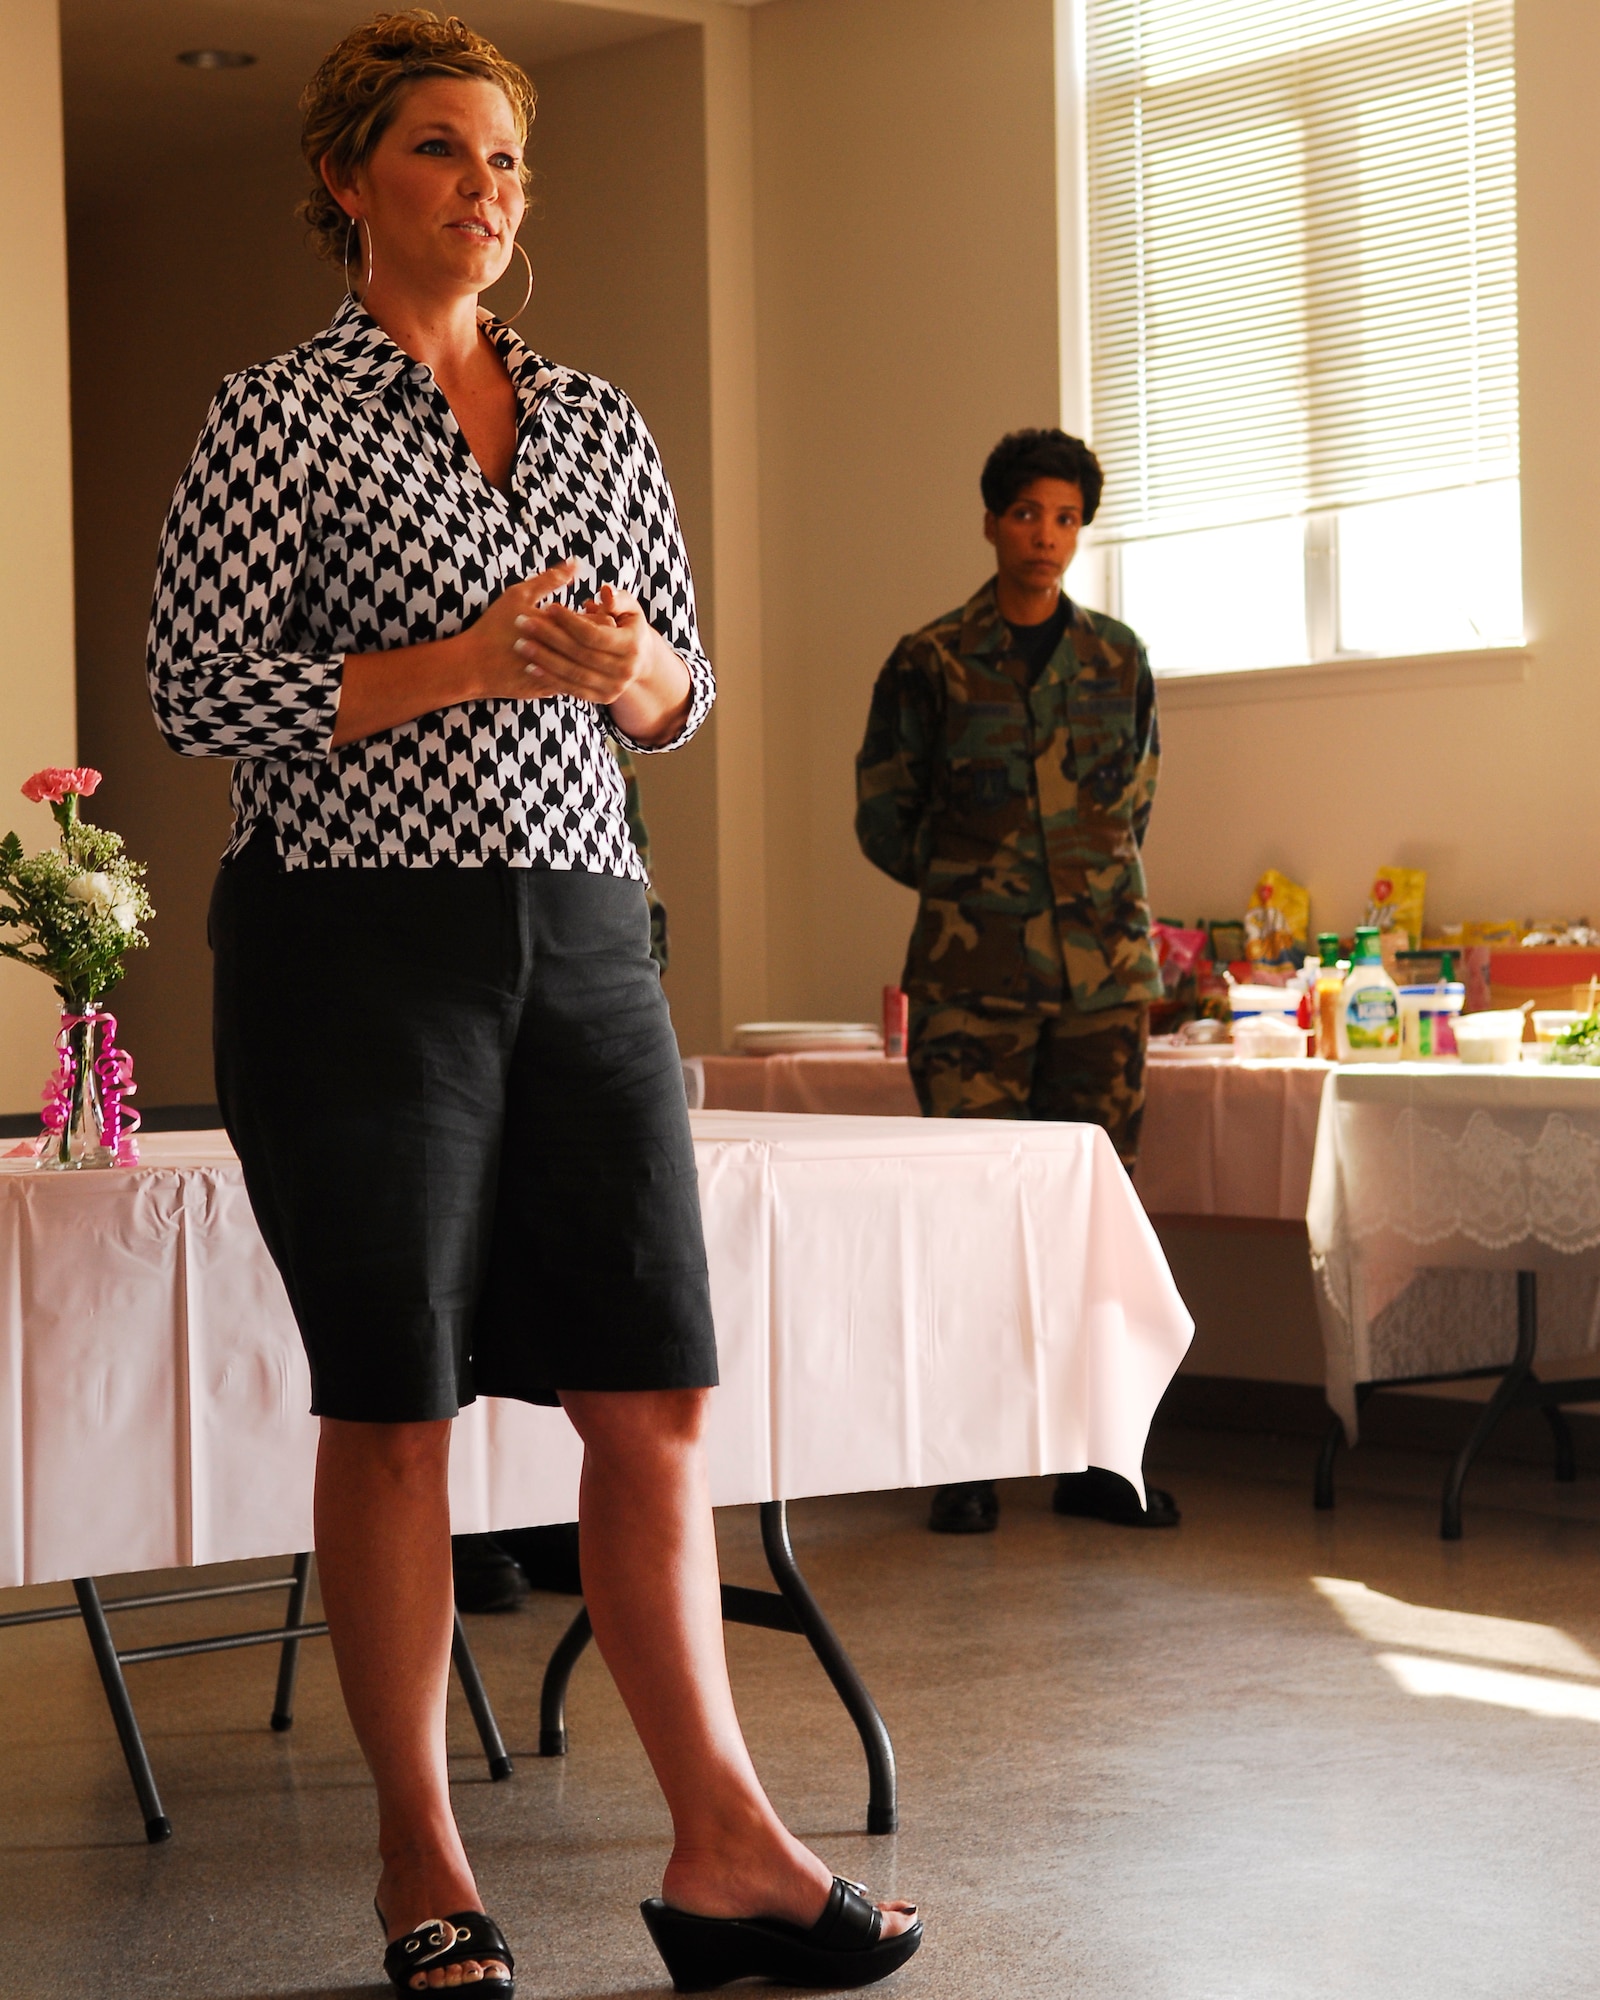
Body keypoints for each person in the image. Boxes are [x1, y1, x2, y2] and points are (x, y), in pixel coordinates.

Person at [147, 13, 919, 1994]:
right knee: (394, 1407)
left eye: (503, 161)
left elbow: (683, 705)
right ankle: (424, 1871)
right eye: (438, 154)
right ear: (346, 178)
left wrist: (631, 671)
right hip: (351, 947)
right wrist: (459, 658)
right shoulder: (278, 417)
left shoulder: (597, 420)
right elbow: (197, 693)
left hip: (582, 934)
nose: (483, 193)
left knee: (650, 1393)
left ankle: (726, 1849)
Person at [854, 427, 1180, 1539]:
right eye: (1026, 513)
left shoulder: (1120, 659)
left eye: (1065, 518)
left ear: (1080, 532)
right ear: (991, 520)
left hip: (1102, 984)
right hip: (970, 983)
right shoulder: (930, 660)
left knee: (1099, 1222)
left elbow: (1129, 807)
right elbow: (884, 817)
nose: (1045, 536)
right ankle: (971, 1458)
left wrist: (1066, 899)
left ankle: (1102, 1458)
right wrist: (978, 892)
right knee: (972, 1220)